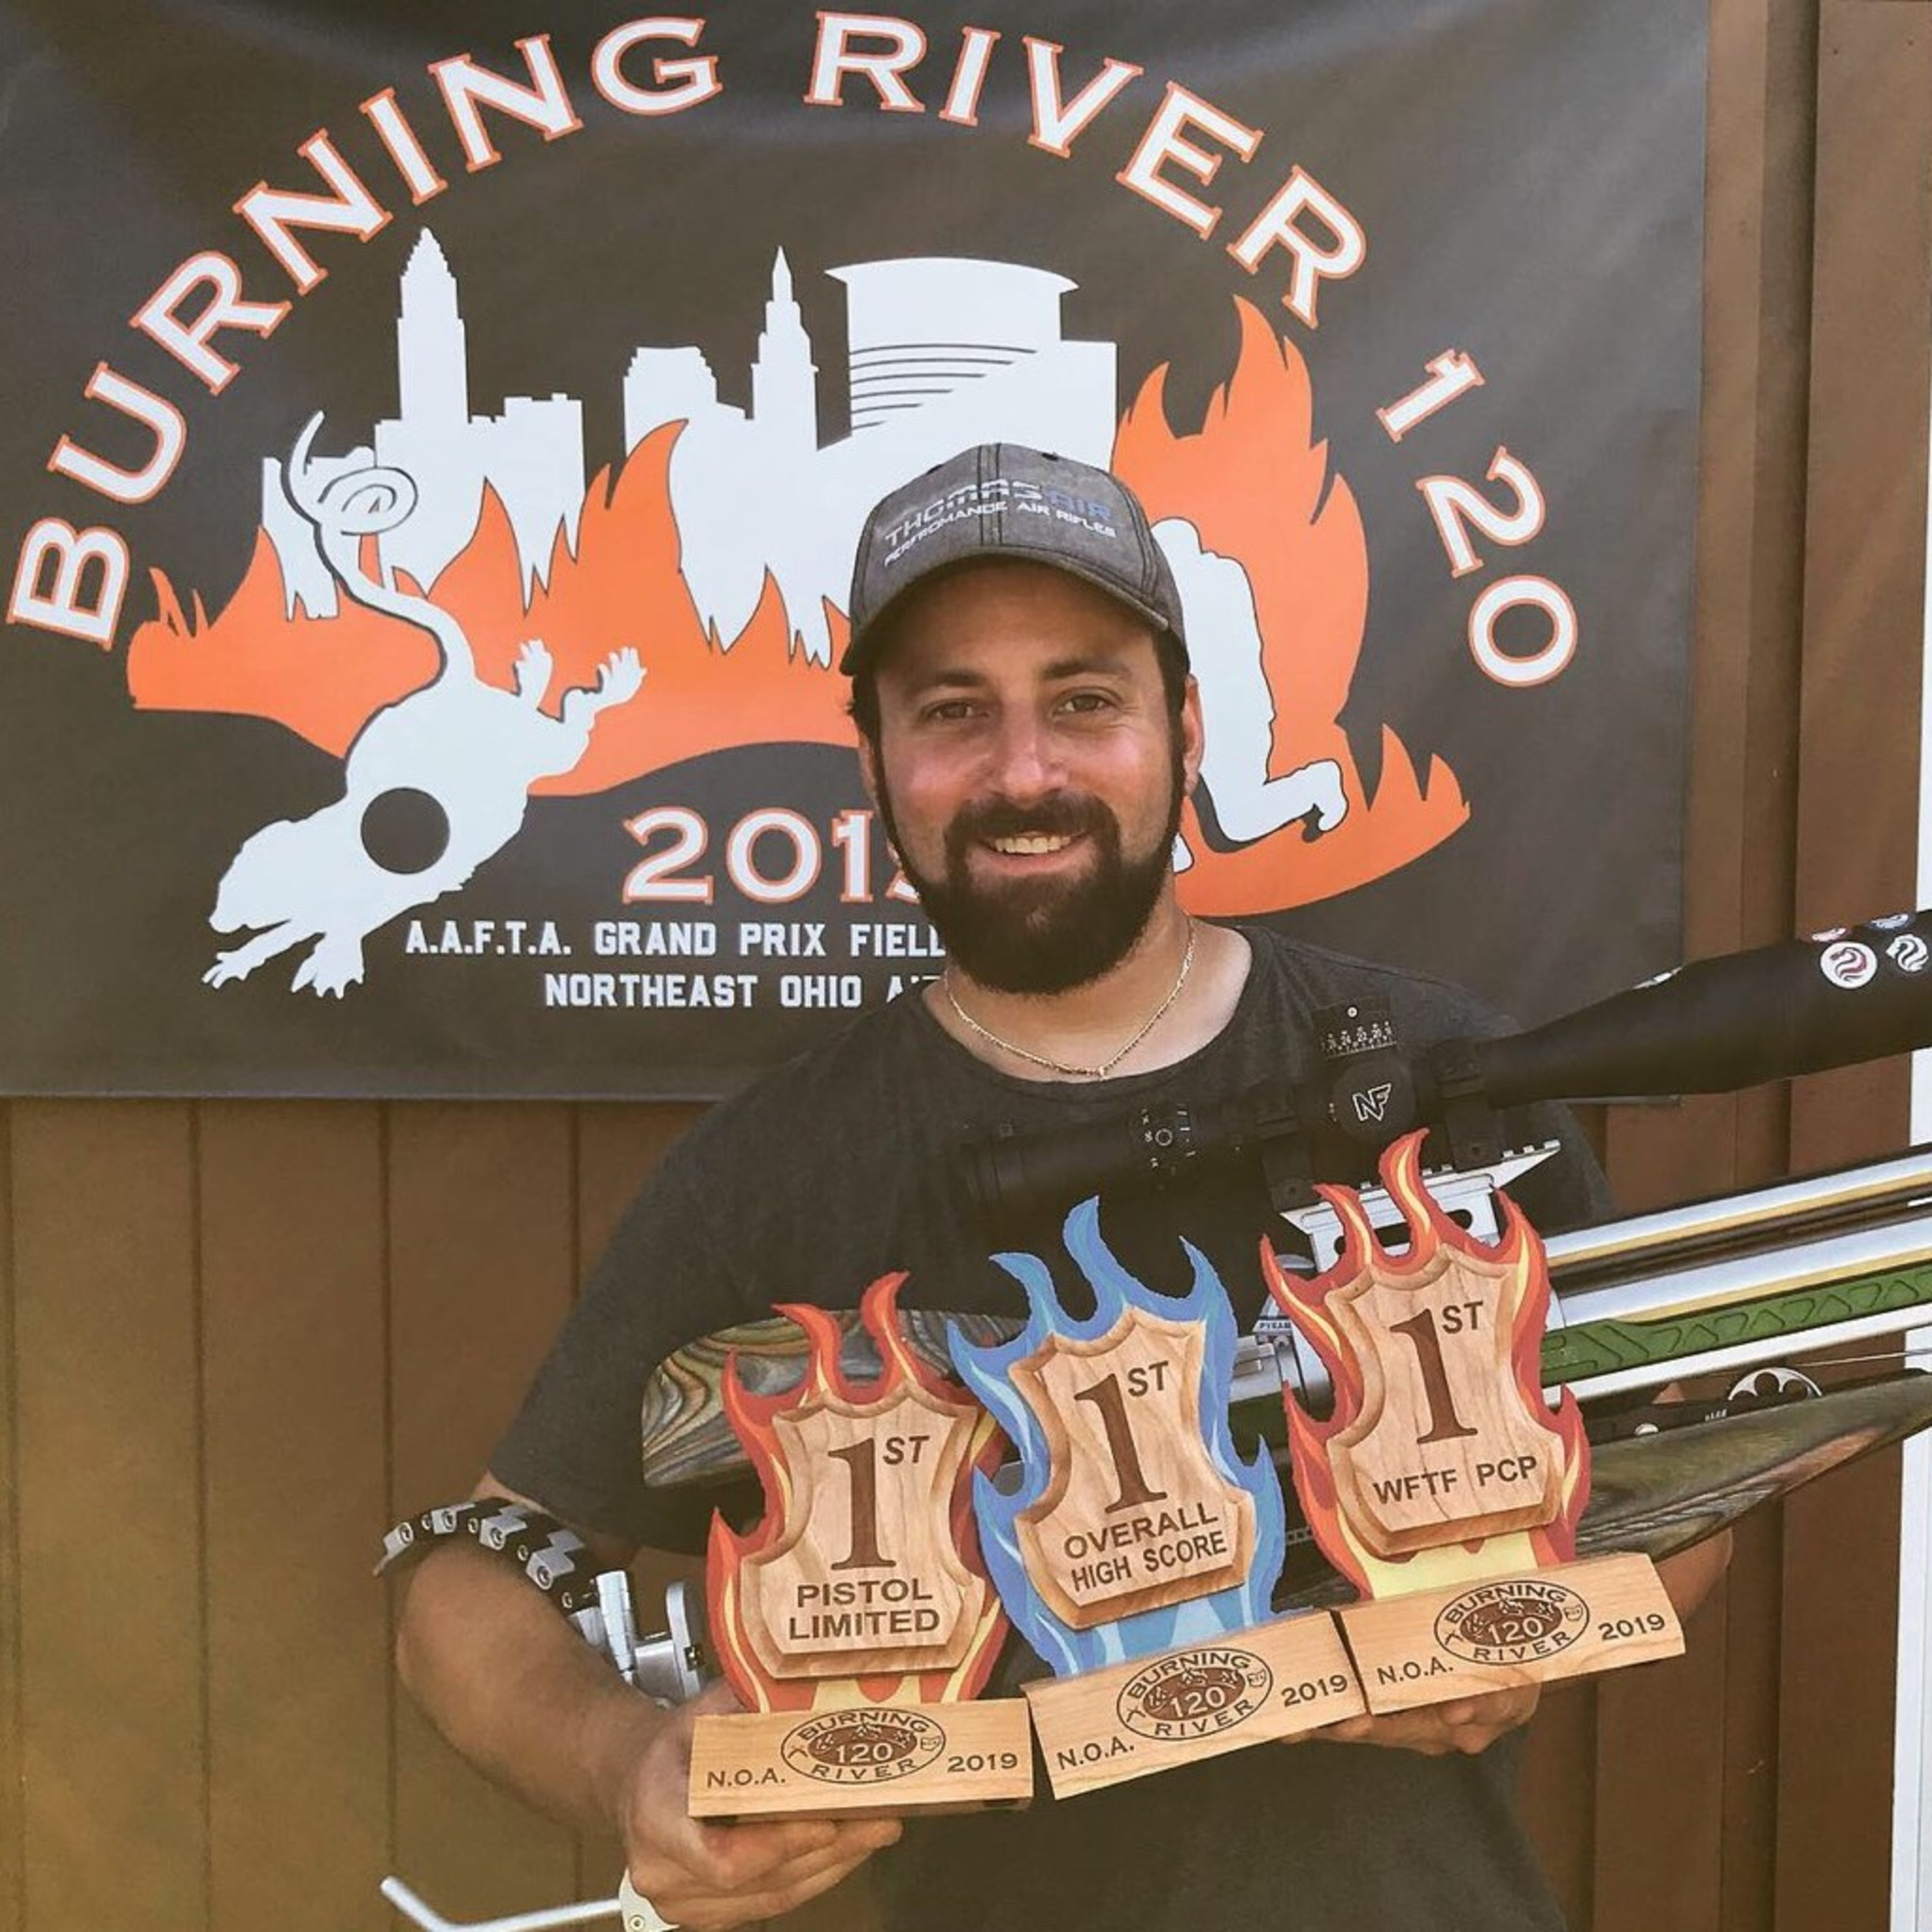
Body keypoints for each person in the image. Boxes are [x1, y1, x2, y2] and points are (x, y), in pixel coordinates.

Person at [395, 444, 1727, 1931]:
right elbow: (472, 1573)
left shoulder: (1445, 1082)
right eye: (954, 712)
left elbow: (1688, 1492)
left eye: (1085, 701)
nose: (1025, 773)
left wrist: (1538, 1631)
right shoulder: (775, 1166)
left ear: (1186, 730)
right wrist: (629, 1762)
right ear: (874, 764)